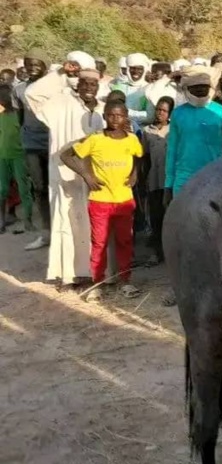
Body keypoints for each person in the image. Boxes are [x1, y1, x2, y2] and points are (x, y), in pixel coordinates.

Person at [26, 57, 105, 288]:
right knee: (67, 221)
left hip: (94, 178)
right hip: (64, 174)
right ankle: (69, 274)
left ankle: (94, 272)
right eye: (84, 84)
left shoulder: (102, 109)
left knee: (94, 223)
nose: (89, 88)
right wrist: (60, 72)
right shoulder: (60, 104)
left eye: (93, 85)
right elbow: (32, 94)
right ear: (76, 84)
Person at [60, 98, 143, 301]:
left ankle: (125, 281)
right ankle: (97, 284)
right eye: (111, 115)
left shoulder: (132, 139)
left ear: (126, 117)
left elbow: (139, 156)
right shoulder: (95, 139)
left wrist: (135, 173)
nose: (115, 119)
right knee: (99, 243)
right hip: (100, 200)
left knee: (125, 241)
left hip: (124, 199)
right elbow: (66, 155)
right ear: (104, 116)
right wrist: (86, 175)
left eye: (120, 115)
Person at [164, 65, 222, 205]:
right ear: (186, 88)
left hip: (215, 177)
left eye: (204, 86)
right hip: (183, 178)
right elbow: (172, 150)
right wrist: (168, 185)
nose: (200, 89)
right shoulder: (178, 114)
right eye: (195, 86)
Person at [15, 52, 52, 250]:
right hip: (31, 143)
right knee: (39, 187)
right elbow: (21, 116)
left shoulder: (54, 87)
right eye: (29, 64)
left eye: (37, 64)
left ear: (45, 66)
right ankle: (46, 233)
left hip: (54, 142)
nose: (32, 68)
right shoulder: (19, 89)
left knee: (57, 187)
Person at [141, 96, 173, 263]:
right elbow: (145, 156)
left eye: (164, 110)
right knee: (156, 216)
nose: (160, 113)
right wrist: (144, 177)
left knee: (171, 216)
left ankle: (171, 252)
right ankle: (156, 252)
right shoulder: (148, 131)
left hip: (171, 181)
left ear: (170, 114)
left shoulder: (174, 130)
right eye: (158, 109)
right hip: (154, 179)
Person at [0, 84, 33, 234]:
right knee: (2, 189)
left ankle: (28, 220)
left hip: (19, 156)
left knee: (23, 188)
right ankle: (2, 219)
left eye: (6, 96)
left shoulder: (20, 115)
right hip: (2, 156)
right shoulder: (1, 114)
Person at [111, 53, 150, 124]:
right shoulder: (118, 87)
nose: (135, 72)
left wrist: (126, 112)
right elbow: (111, 109)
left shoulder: (149, 89)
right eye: (132, 68)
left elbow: (149, 115)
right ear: (128, 69)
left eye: (139, 69)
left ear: (144, 70)